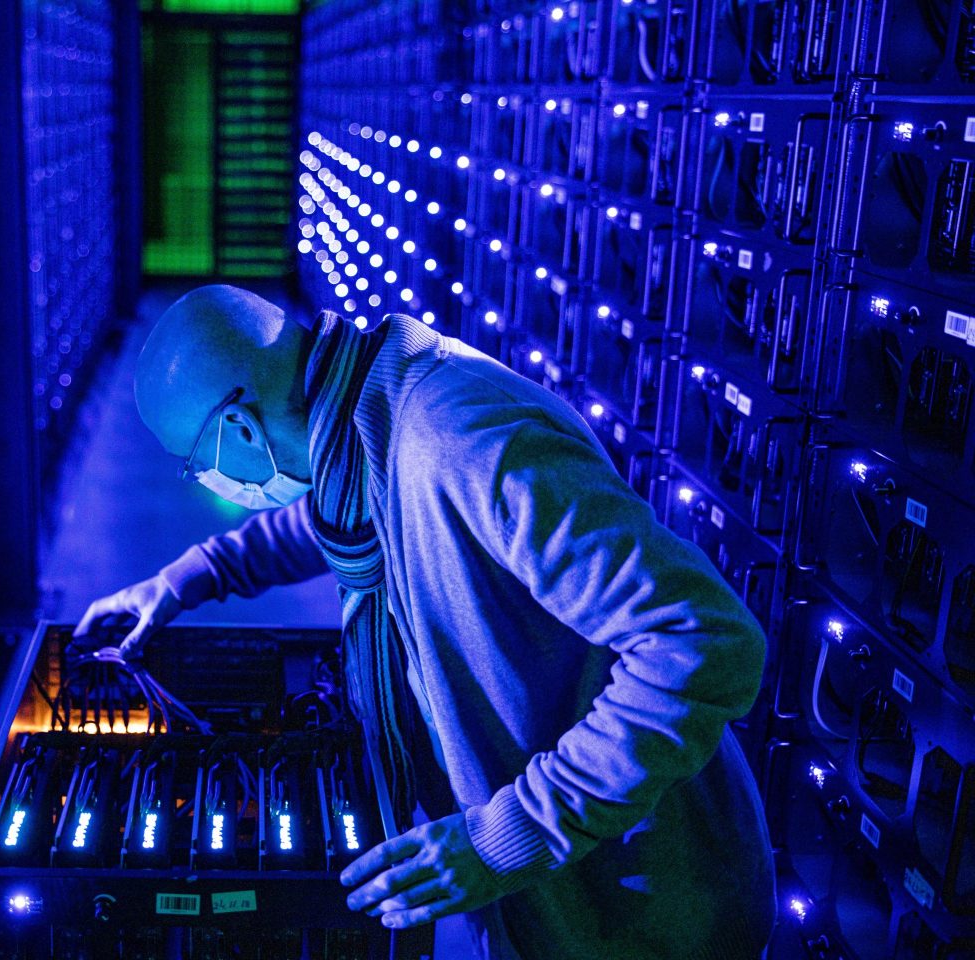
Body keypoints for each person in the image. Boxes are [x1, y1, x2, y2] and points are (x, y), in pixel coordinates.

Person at [76, 284, 775, 959]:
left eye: (199, 466)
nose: (212, 482)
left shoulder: (461, 438)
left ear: (238, 427)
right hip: (550, 887)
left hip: (645, 897)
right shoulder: (368, 410)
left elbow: (706, 640)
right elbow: (348, 507)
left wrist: (505, 835)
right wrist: (192, 577)